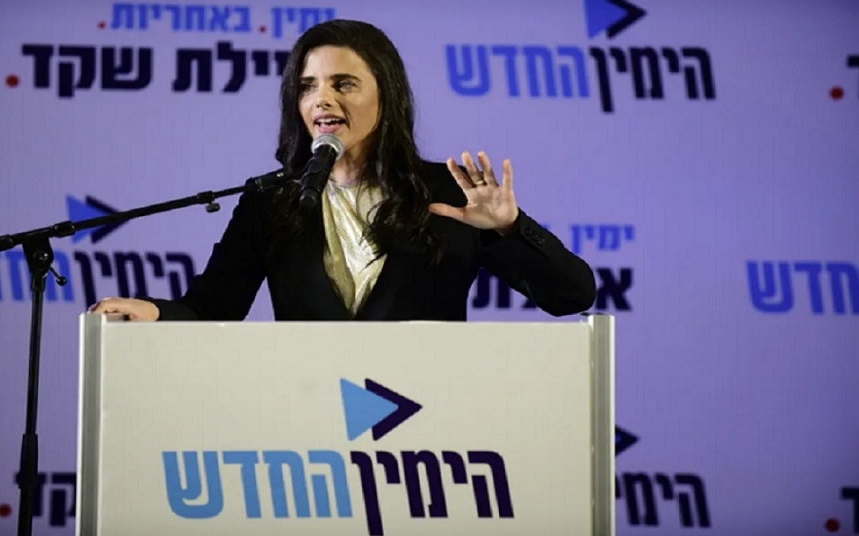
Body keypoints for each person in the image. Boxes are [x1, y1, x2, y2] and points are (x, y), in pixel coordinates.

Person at [90, 19, 596, 322]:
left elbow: (571, 296)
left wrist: (509, 229)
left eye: (343, 84)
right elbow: (213, 308)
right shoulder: (272, 200)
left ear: (386, 94)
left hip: (429, 429)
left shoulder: (450, 192)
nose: (322, 99)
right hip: (312, 427)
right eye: (307, 86)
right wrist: (156, 312)